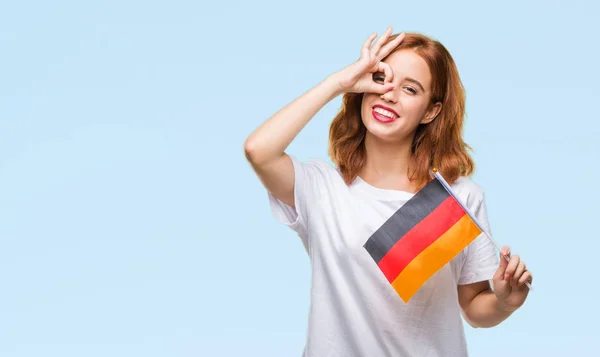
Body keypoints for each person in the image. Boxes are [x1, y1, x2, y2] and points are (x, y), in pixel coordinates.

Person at [244, 26, 532, 357]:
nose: (389, 95)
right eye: (381, 79)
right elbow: (258, 150)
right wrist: (339, 83)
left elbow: (473, 308)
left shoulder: (458, 198)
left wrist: (505, 301)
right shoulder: (321, 188)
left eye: (410, 89)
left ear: (431, 111)